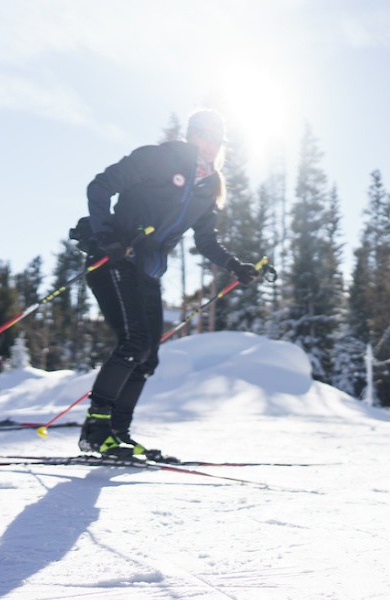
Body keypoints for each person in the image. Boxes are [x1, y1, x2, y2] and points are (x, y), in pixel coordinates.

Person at [76, 109, 270, 460]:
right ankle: (95, 430)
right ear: (191, 134)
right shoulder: (159, 157)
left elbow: (206, 240)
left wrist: (234, 266)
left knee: (147, 357)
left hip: (147, 269)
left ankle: (118, 432)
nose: (210, 144)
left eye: (217, 138)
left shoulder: (208, 185)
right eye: (204, 135)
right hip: (114, 258)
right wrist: (105, 235)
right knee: (134, 344)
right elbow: (100, 186)